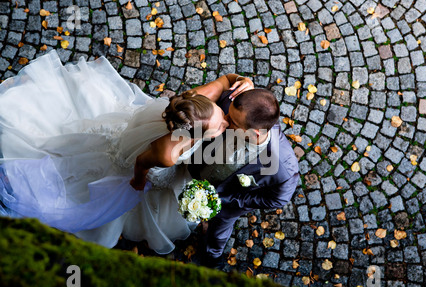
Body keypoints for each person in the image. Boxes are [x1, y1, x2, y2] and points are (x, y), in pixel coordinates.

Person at [0, 50, 246, 254]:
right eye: (219, 126)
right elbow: (141, 162)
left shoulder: (198, 102)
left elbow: (226, 80)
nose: (225, 121)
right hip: (134, 162)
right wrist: (137, 185)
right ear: (191, 135)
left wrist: (246, 83)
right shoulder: (167, 154)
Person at [187, 79, 300, 268]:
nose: (224, 120)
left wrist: (226, 199)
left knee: (217, 234)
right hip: (198, 168)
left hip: (226, 202)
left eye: (232, 122)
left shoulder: (283, 169)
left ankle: (212, 260)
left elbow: (277, 200)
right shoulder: (233, 105)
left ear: (255, 133)